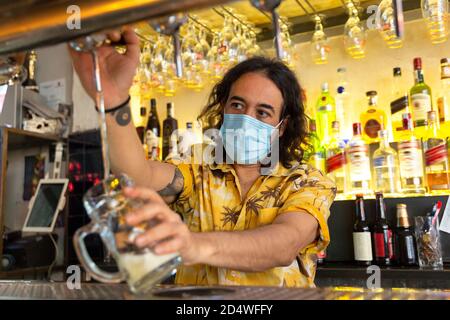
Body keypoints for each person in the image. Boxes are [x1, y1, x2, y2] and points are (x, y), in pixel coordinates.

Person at [69, 26, 336, 287]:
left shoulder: (307, 181)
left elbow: (283, 245)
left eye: (263, 113)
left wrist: (192, 245)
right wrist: (114, 99)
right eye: (238, 105)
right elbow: (139, 177)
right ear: (223, 109)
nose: (245, 119)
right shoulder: (197, 167)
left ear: (282, 127)